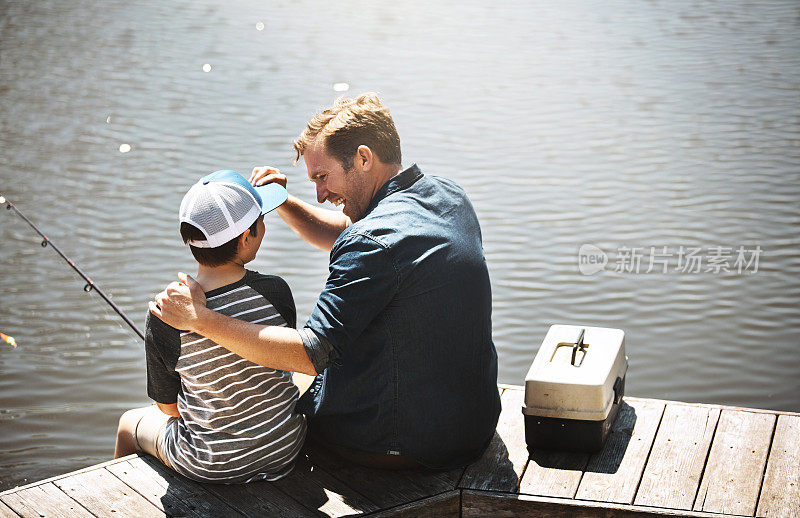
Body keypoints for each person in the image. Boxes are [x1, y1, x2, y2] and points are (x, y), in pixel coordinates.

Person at [152, 93, 501, 470]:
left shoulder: (371, 244)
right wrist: (283, 202)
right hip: (471, 426)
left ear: (364, 158)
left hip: (401, 446)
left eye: (322, 177)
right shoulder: (446, 195)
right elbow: (358, 235)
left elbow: (309, 355)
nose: (319, 193)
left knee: (277, 401)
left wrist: (199, 319)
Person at [116, 170, 307, 483]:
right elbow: (282, 363)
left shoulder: (165, 315)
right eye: (262, 219)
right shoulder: (277, 292)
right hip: (284, 447)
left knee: (128, 424)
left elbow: (168, 408)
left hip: (210, 464)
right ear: (247, 238)